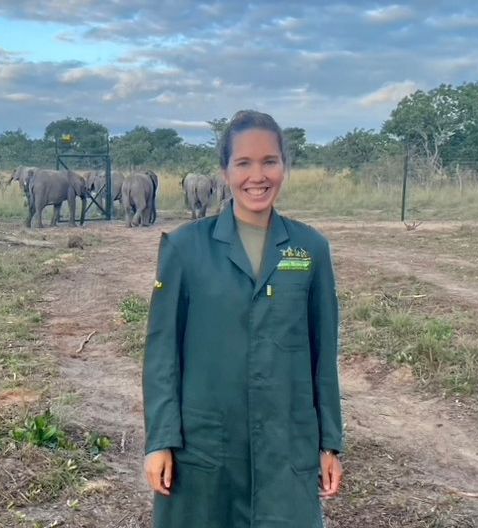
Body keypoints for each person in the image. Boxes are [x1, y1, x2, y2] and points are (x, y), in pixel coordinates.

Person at [142, 110, 343, 527]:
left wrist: (328, 444)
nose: (258, 175)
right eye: (244, 163)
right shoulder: (184, 248)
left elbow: (324, 357)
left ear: (285, 166)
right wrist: (160, 440)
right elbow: (162, 354)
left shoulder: (309, 250)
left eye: (270, 161)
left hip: (286, 442)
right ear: (225, 171)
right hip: (204, 443)